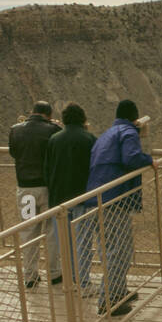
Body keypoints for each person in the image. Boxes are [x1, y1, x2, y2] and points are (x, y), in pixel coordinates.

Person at [86, 99, 156, 315]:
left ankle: (118, 290)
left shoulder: (107, 133)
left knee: (110, 249)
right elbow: (131, 158)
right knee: (120, 249)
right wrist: (149, 160)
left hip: (98, 198)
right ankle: (109, 301)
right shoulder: (128, 132)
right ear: (135, 118)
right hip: (114, 200)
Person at [8, 101, 61, 287]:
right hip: (47, 189)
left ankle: (30, 275)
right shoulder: (52, 130)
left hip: (25, 189)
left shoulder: (15, 130)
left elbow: (14, 153)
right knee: (52, 231)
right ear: (48, 114)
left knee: (28, 231)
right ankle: (55, 273)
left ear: (32, 112)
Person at [43, 102, 96, 289]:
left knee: (64, 243)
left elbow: (47, 169)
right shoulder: (89, 139)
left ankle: (70, 280)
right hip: (83, 198)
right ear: (83, 118)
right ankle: (83, 281)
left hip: (58, 200)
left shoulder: (54, 139)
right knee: (83, 242)